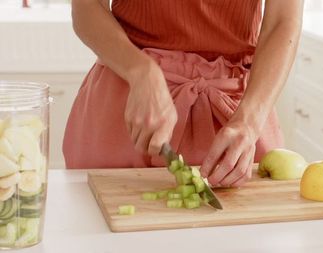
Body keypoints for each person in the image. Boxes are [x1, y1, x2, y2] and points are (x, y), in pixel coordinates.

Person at [63, 0, 304, 188]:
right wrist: (141, 72)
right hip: (132, 100)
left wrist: (249, 122)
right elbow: (86, 6)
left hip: (238, 112)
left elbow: (283, 21)